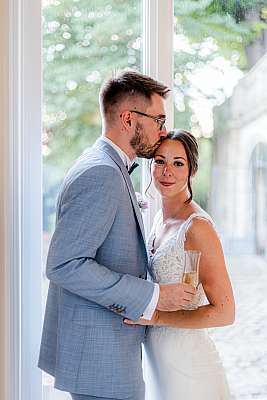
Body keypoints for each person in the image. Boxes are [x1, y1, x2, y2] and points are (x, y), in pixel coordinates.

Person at [38, 72, 198, 400]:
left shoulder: (105, 165)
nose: (163, 130)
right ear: (128, 119)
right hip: (101, 362)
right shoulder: (102, 173)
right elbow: (64, 265)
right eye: (158, 119)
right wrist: (152, 295)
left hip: (105, 358)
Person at [125, 129, 235, 400]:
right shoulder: (159, 220)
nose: (167, 172)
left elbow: (225, 312)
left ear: (191, 170)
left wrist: (158, 316)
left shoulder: (197, 227)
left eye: (178, 163)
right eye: (160, 161)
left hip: (189, 367)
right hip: (159, 362)